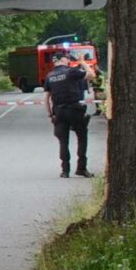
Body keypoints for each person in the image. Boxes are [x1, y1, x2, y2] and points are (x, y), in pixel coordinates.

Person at [44, 48, 96, 178]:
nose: (68, 60)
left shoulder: (49, 76)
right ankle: (81, 168)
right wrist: (82, 62)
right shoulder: (71, 71)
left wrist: (51, 115)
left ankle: (65, 171)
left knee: (63, 141)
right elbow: (91, 75)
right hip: (74, 110)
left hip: (59, 111)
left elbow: (46, 99)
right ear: (62, 59)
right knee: (82, 137)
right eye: (67, 58)